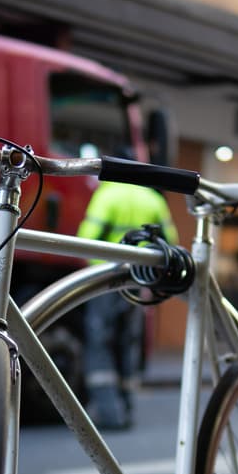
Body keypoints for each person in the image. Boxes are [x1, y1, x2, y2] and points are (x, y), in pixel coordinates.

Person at [77, 176, 177, 430]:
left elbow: (86, 238)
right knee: (127, 342)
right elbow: (170, 244)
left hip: (105, 281)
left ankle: (109, 413)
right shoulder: (152, 198)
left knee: (100, 342)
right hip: (136, 281)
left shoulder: (108, 195)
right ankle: (126, 408)